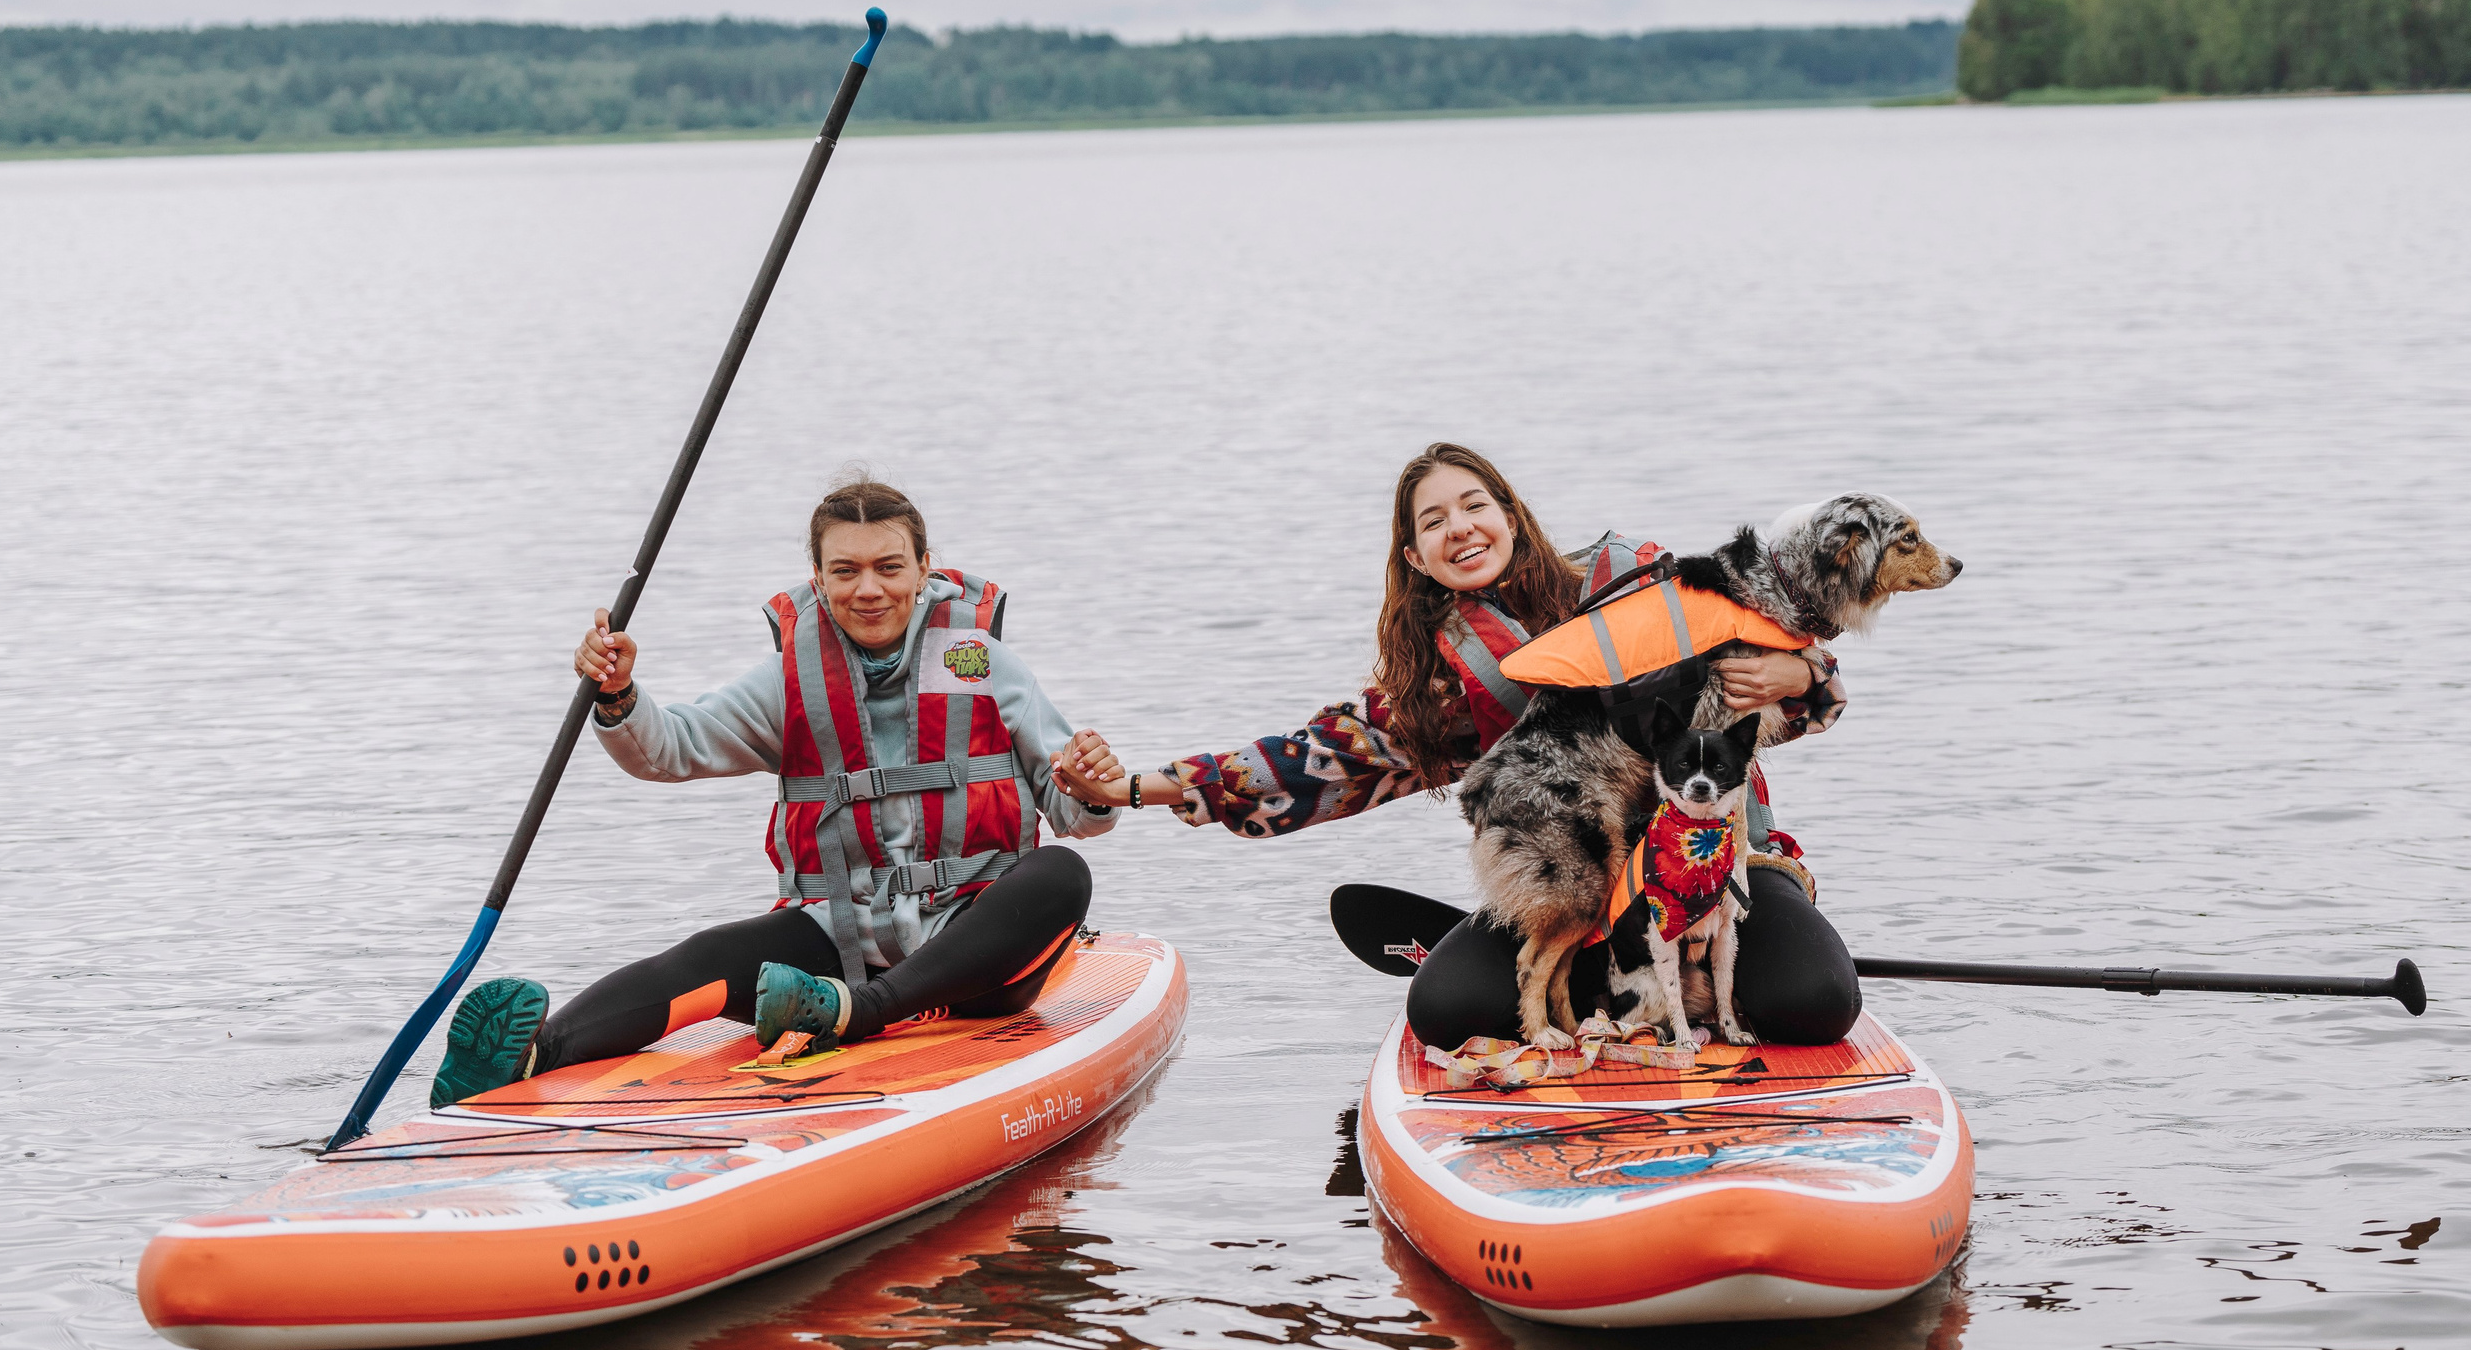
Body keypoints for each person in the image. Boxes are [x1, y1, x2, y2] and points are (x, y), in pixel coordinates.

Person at [1054, 442, 1862, 1047]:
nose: (1461, 529)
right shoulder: (1436, 690)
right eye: (1433, 522)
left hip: (1716, 873)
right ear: (1415, 557)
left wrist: (1800, 677)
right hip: (1578, 884)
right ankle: (1590, 976)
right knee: (1441, 1010)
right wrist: (1129, 789)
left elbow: (1797, 658)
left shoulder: (1639, 578)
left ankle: (1684, 985)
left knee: (1820, 1000)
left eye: (1474, 505)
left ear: (1510, 514)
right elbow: (1300, 764)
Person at [431, 478, 1117, 1106]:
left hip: (978, 950)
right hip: (840, 940)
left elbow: (1070, 808)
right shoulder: (793, 679)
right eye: (845, 571)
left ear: (923, 566)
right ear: (818, 579)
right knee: (704, 956)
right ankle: (531, 1056)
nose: (869, 590)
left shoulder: (980, 662)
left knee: (1062, 872)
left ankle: (857, 1012)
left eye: (888, 566)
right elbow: (671, 748)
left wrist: (1090, 791)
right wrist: (618, 696)